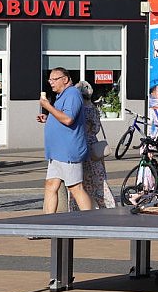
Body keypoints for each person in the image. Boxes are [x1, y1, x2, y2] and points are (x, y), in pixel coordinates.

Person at [39, 67, 93, 213]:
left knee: (75, 188)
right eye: (49, 79)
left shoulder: (72, 94)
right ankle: (47, 224)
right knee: (51, 186)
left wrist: (48, 107)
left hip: (69, 151)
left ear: (65, 79)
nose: (51, 82)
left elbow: (68, 119)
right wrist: (48, 118)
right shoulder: (62, 96)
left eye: (54, 79)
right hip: (56, 152)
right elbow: (61, 116)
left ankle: (91, 222)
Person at [69, 81, 116, 210]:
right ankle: (108, 205)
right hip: (94, 146)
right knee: (99, 180)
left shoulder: (79, 110)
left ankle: (77, 208)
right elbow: (96, 128)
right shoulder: (94, 109)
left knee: (78, 182)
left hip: (82, 146)